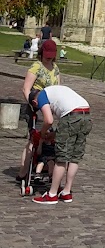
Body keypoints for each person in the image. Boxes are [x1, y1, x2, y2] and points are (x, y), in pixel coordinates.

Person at [29, 83, 92, 205]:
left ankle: (52, 194)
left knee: (61, 157)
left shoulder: (41, 96)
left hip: (71, 116)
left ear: (35, 103)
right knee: (74, 157)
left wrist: (42, 133)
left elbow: (49, 120)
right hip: (86, 114)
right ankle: (66, 192)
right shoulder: (56, 90)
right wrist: (54, 134)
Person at [16, 40, 61, 182]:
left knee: (47, 139)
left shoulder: (55, 68)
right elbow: (26, 88)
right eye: (47, 55)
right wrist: (31, 105)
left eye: (51, 55)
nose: (49, 58)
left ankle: (43, 167)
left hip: (50, 109)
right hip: (36, 107)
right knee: (34, 139)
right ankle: (23, 172)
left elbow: (58, 88)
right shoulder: (36, 66)